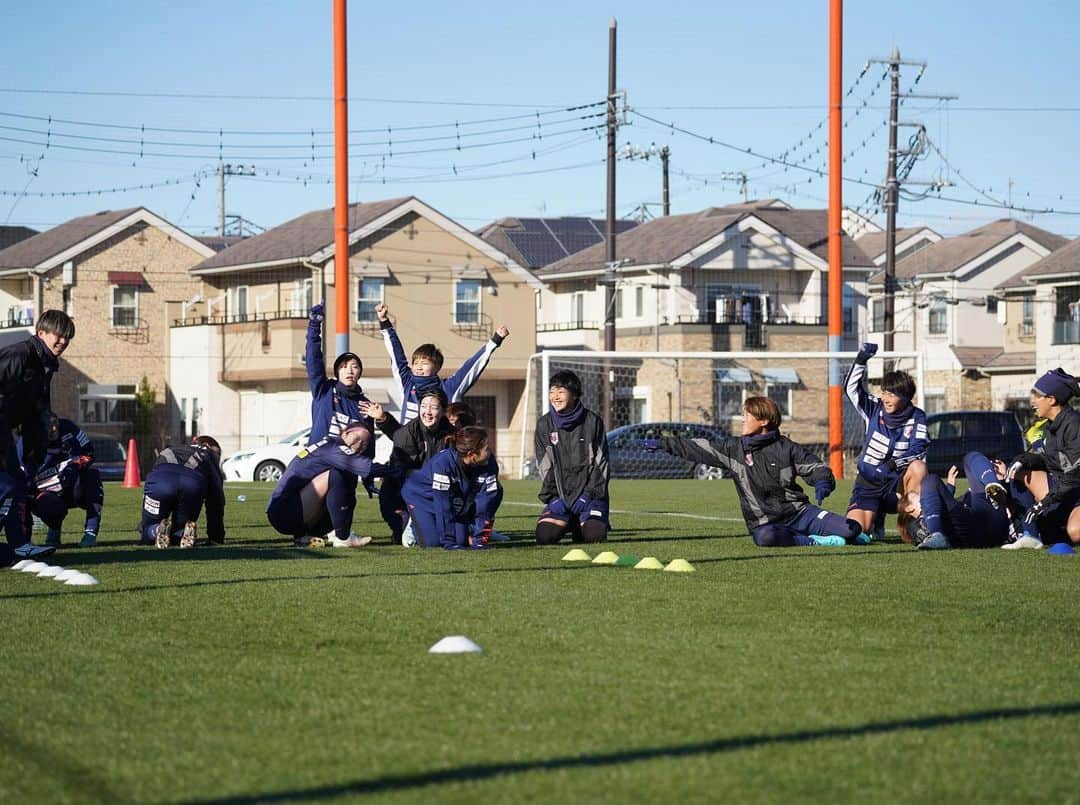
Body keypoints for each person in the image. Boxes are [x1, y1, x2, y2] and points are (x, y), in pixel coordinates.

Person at [645, 396, 864, 547]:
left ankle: (819, 532)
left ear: (764, 421)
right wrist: (664, 444)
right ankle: (814, 541)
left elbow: (815, 467)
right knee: (765, 538)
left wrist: (822, 482)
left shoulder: (786, 447)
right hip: (766, 524)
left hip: (800, 513)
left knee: (851, 529)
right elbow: (695, 447)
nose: (742, 419)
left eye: (747, 415)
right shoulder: (734, 450)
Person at [0, 309, 75, 559]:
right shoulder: (20, 355)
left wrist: (34, 453)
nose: (63, 341)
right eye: (59, 335)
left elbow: (38, 412)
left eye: (68, 337)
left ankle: (21, 545)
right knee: (7, 486)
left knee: (17, 486)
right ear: (40, 332)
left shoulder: (46, 367)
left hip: (4, 430)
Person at [845, 342, 929, 541]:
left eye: (892, 394)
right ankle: (875, 518)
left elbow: (919, 450)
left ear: (906, 397)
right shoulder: (874, 408)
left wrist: (891, 465)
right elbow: (851, 390)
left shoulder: (917, 417)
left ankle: (914, 526)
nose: (885, 398)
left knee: (918, 467)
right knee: (855, 531)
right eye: (884, 392)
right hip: (868, 484)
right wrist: (861, 360)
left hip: (896, 487)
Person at [376, 302, 509, 423]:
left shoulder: (448, 388)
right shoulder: (407, 383)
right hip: (409, 449)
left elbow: (471, 367)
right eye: (416, 363)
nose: (418, 367)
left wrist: (495, 341)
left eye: (424, 363)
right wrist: (384, 322)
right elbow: (397, 355)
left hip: (440, 448)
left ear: (437, 367)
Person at [267, 424, 379, 548]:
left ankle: (306, 536)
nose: (360, 444)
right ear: (345, 433)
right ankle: (343, 538)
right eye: (358, 438)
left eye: (364, 443)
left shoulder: (331, 444)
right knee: (338, 475)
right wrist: (397, 471)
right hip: (284, 513)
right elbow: (366, 468)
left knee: (345, 484)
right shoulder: (334, 447)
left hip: (289, 512)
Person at [1003, 367, 1080, 547]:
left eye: (1038, 396)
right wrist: (1023, 460)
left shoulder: (1074, 424)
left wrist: (1044, 502)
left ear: (1052, 400)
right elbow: (1047, 457)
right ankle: (1027, 533)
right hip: (1062, 491)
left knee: (1075, 533)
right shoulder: (1051, 425)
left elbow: (1073, 475)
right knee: (1017, 472)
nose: (1033, 402)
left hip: (1073, 491)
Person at [534, 370, 610, 545]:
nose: (555, 397)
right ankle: (569, 520)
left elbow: (601, 464)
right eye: (552, 392)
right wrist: (552, 499)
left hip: (589, 497)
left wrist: (587, 495)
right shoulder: (544, 424)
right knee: (544, 537)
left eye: (561, 392)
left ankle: (582, 522)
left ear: (574, 394)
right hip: (561, 497)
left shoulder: (592, 422)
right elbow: (544, 466)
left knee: (594, 535)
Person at [401, 426, 501, 549]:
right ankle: (413, 524)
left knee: (460, 541)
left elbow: (487, 502)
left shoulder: (489, 462)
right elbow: (442, 503)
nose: (490, 451)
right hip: (421, 498)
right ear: (471, 454)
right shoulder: (442, 463)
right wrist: (449, 542)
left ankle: (464, 530)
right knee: (433, 543)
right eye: (487, 449)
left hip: (453, 499)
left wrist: (480, 539)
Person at [897, 452, 1018, 550]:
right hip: (971, 531)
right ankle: (937, 536)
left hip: (990, 523)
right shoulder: (914, 526)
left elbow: (947, 504)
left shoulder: (933, 508)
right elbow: (919, 529)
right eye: (916, 495)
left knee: (970, 457)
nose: (922, 494)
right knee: (929, 480)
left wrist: (949, 488)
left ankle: (993, 482)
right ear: (909, 508)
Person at [381, 387, 454, 544]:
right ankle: (407, 524)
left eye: (434, 407)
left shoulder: (452, 434)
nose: (427, 412)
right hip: (409, 493)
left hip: (441, 491)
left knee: (455, 538)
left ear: (443, 411)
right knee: (428, 542)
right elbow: (401, 475)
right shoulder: (406, 433)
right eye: (423, 406)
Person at [27, 416, 103, 548]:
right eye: (49, 428)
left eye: (55, 425)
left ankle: (90, 532)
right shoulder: (27, 443)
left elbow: (89, 453)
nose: (54, 429)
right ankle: (53, 528)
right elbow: (23, 480)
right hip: (45, 491)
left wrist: (75, 465)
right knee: (46, 504)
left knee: (92, 477)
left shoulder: (69, 428)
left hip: (73, 485)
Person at [140, 436, 225, 549]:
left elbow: (154, 471)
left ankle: (156, 530)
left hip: (161, 480)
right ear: (207, 445)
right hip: (192, 484)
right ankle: (182, 533)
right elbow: (216, 500)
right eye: (218, 454)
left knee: (148, 528)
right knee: (179, 529)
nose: (218, 458)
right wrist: (216, 537)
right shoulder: (209, 455)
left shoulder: (172, 448)